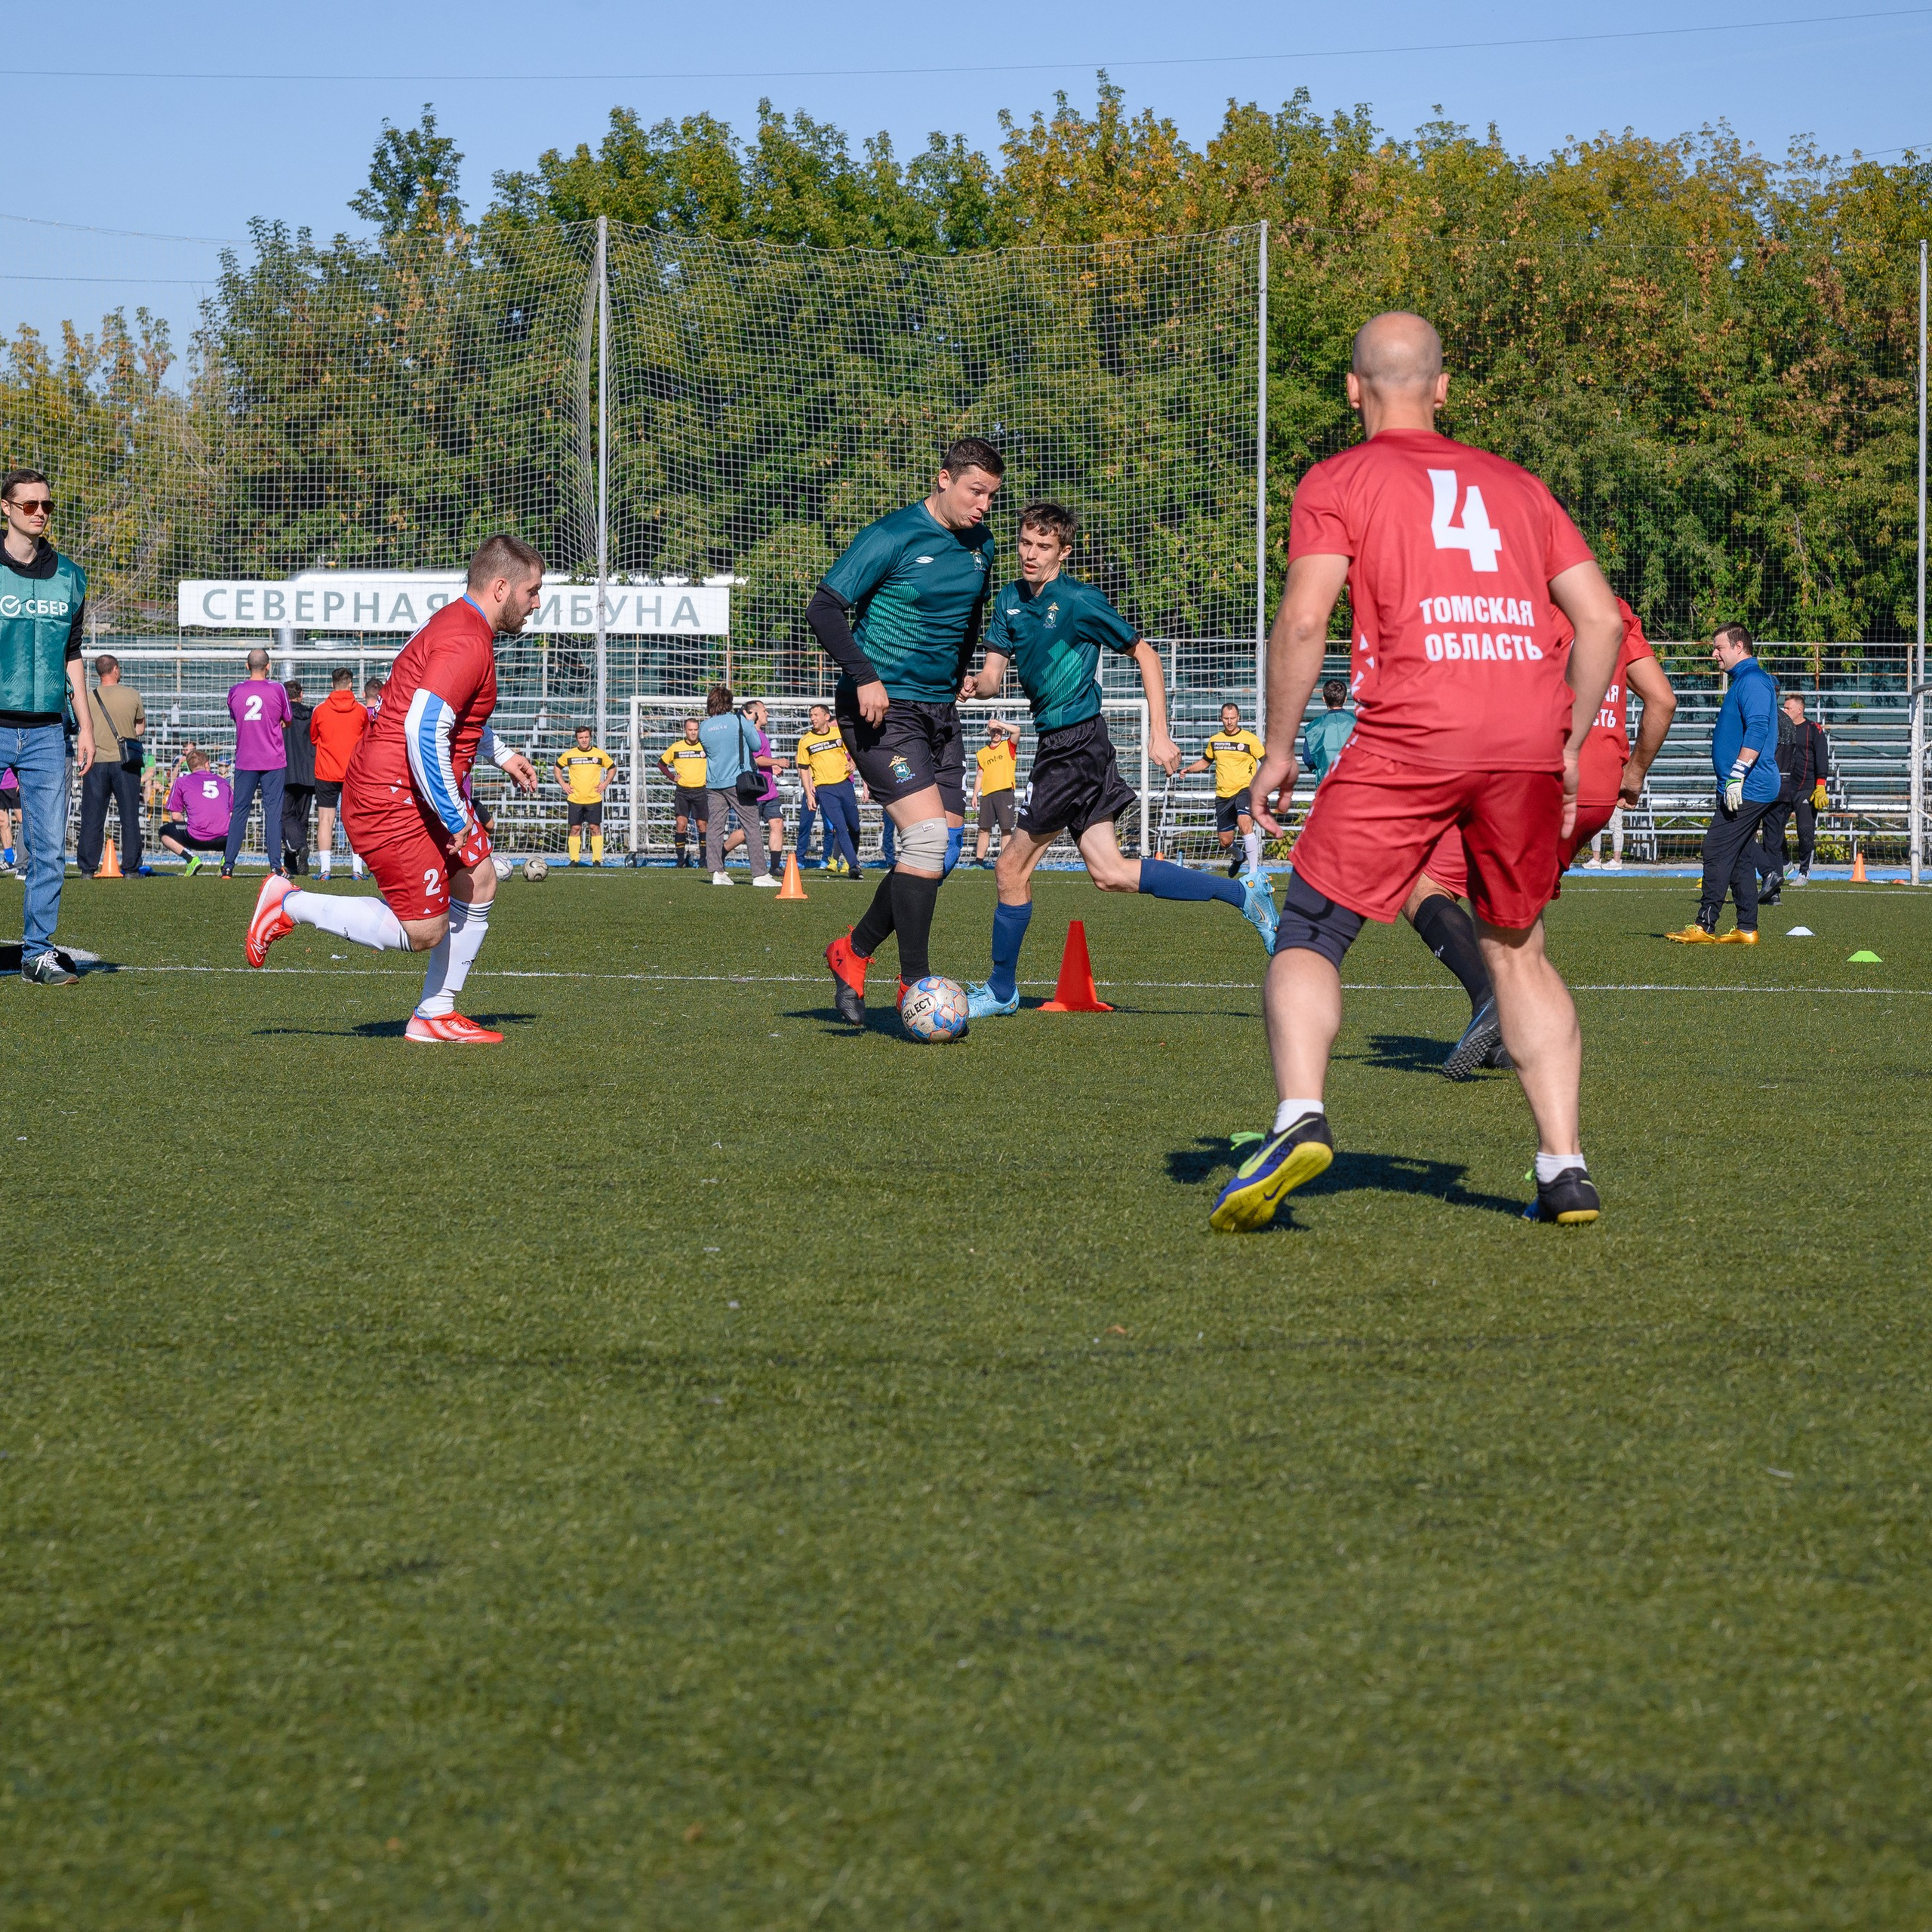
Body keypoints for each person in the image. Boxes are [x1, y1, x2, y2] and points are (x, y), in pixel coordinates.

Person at [1214, 311, 1624, 1233]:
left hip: (1411, 730)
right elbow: (1598, 623)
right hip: (1523, 738)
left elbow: (1303, 622)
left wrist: (1278, 751)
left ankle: (1297, 1117)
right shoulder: (1521, 486)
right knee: (1515, 948)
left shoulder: (1338, 477)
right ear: (1443, 389)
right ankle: (1564, 1166)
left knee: (1313, 927)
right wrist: (1564, 742)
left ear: (1353, 390)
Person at [962, 501, 1276, 1020]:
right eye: (1024, 543)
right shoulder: (1009, 602)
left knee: (1010, 866)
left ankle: (1000, 991)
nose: (1030, 554)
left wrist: (1161, 735)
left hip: (1076, 750)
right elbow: (995, 675)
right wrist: (975, 686)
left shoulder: (1080, 600)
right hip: (1062, 747)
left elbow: (1146, 655)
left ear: (1064, 552)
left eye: (1043, 546)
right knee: (1109, 873)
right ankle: (1243, 895)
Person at [245, 534, 543, 1043]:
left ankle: (435, 1013)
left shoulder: (457, 622)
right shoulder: (467, 641)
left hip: (401, 783)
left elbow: (447, 710)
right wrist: (457, 821)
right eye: (532, 591)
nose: (536, 602)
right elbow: (423, 730)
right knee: (423, 930)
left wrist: (500, 754)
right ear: (500, 588)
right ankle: (286, 901)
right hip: (392, 792)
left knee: (480, 879)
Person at [810, 436, 1001, 1023]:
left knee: (938, 856)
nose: (984, 506)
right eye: (976, 491)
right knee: (921, 842)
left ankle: (854, 951)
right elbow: (822, 608)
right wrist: (864, 676)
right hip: (880, 710)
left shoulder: (982, 546)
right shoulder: (892, 535)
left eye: (993, 495)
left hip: (939, 714)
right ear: (944, 479)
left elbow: (969, 617)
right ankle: (916, 985)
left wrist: (968, 672)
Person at [0, 468, 93, 985]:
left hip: (45, 733)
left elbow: (72, 654)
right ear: (6, 509)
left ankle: (37, 954)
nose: (40, 513)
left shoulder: (71, 577)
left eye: (47, 506)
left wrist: (86, 724)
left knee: (50, 848)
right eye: (30, 504)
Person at [1667, 623, 1780, 945]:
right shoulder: (1744, 680)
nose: (1713, 653)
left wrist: (1737, 775)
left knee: (1715, 848)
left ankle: (1704, 925)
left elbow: (1758, 729)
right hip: (1745, 785)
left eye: (1719, 647)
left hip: (1749, 786)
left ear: (1739, 647)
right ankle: (1747, 929)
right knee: (1741, 853)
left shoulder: (1754, 680)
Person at [1566, 598, 1675, 873]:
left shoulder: (1517, 600)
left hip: (1539, 780)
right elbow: (1663, 701)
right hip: (1601, 790)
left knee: (1443, 883)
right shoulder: (1616, 611)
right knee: (1528, 896)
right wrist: (1634, 773)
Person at [220, 648, 291, 878]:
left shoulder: (236, 691)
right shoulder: (278, 689)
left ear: (246, 666)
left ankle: (228, 865)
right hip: (273, 760)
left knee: (240, 811)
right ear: (268, 666)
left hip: (245, 760)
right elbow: (287, 720)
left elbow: (237, 718)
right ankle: (274, 865)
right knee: (272, 813)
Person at [696, 684, 773, 885]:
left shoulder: (703, 727)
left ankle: (717, 872)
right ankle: (760, 874)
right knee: (751, 827)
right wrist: (749, 723)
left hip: (713, 783)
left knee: (715, 828)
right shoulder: (739, 721)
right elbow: (757, 746)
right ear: (729, 703)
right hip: (739, 782)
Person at [77, 652, 146, 877]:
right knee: (129, 818)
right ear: (115, 670)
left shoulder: (88, 697)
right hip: (125, 764)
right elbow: (140, 730)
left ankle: (87, 868)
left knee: (92, 818)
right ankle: (131, 868)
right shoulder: (132, 695)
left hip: (96, 763)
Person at [1182, 703, 1267, 877]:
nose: (1229, 722)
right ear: (1221, 718)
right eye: (1226, 718)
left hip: (1245, 789)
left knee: (1245, 823)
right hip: (1223, 795)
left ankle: (1254, 873)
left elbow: (1266, 761)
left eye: (1233, 718)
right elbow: (1205, 762)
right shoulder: (1215, 740)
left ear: (1238, 718)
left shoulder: (1249, 739)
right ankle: (1239, 857)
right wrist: (1189, 769)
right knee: (1225, 841)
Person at [1759, 692, 1831, 887]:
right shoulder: (1781, 728)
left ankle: (1804, 873)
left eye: (1788, 708)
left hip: (1806, 789)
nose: (1784, 710)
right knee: (1773, 828)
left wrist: (1821, 785)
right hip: (1784, 787)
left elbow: (1822, 757)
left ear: (1800, 710)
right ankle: (1785, 862)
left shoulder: (1813, 729)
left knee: (1805, 831)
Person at [309, 667, 369, 881]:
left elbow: (314, 737)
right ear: (351, 684)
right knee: (356, 819)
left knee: (326, 819)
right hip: (354, 772)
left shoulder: (320, 710)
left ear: (332, 684)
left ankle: (325, 870)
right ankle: (358, 870)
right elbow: (366, 738)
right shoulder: (361, 711)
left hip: (326, 771)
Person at [796, 703, 862, 877]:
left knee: (854, 827)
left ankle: (851, 860)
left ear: (827, 717)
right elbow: (803, 768)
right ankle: (854, 866)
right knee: (839, 827)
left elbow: (855, 751)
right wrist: (809, 793)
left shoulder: (839, 734)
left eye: (816, 715)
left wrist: (854, 763)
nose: (813, 718)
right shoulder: (806, 741)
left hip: (844, 785)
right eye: (811, 715)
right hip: (824, 789)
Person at [159, 751, 234, 872]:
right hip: (224, 839)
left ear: (189, 767)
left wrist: (189, 828)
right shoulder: (224, 783)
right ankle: (226, 861)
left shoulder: (181, 782)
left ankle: (191, 859)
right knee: (236, 827)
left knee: (164, 832)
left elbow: (176, 816)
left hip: (196, 838)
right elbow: (233, 813)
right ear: (207, 764)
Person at [554, 724, 614, 866]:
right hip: (575, 798)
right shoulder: (570, 755)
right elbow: (557, 767)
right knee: (575, 828)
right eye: (581, 738)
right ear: (577, 739)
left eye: (586, 737)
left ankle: (597, 860)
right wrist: (563, 784)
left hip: (594, 798)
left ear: (590, 737)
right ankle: (574, 860)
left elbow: (612, 768)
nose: (584, 740)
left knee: (595, 828)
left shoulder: (599, 754)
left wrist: (605, 783)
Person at [657, 717, 708, 867]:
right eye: (690, 730)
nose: (693, 733)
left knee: (702, 825)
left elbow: (716, 762)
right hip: (683, 791)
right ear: (685, 731)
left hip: (701, 790)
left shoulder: (705, 747)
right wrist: (673, 777)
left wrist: (710, 778)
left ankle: (703, 860)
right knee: (681, 824)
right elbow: (661, 764)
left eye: (695, 730)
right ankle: (680, 861)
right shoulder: (676, 747)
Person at [745, 700, 788, 875]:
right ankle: (722, 852)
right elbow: (756, 759)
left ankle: (775, 866)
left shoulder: (761, 733)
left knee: (777, 823)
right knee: (745, 831)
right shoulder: (751, 734)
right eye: (764, 710)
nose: (767, 714)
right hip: (756, 790)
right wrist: (777, 761)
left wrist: (772, 767)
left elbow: (762, 760)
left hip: (770, 791)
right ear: (754, 714)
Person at [280, 678, 317, 874]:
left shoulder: (280, 716)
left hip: (285, 772)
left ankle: (299, 845)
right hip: (308, 773)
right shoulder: (312, 714)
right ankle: (294, 863)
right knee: (301, 818)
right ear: (301, 695)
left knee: (285, 816)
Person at [971, 718, 1019, 866]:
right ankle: (979, 862)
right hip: (987, 794)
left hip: (1005, 792)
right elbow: (980, 775)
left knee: (1006, 829)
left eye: (999, 731)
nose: (996, 733)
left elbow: (1017, 730)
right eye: (993, 731)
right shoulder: (982, 753)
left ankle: (1004, 862)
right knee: (983, 829)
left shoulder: (1008, 746)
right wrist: (975, 794)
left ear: (1003, 732)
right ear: (989, 732)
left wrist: (998, 723)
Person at [1300, 679, 1355, 788]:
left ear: (1324, 699)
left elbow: (1308, 759)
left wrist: (1320, 769)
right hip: (1355, 784)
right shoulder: (1359, 724)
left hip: (1327, 784)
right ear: (1345, 699)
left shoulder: (1314, 728)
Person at [0, 764, 17, 873]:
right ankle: (9, 860)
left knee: (22, 819)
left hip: (14, 782)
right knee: (2, 821)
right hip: (1, 783)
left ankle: (31, 858)